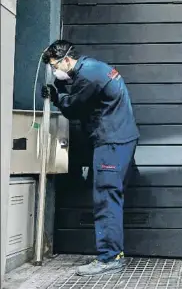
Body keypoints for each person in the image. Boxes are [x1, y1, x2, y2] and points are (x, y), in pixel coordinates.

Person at [41, 40, 140, 277]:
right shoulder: (93, 67)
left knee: (106, 198)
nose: (55, 71)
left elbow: (74, 108)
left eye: (55, 66)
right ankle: (114, 252)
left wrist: (56, 96)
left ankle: (109, 258)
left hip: (112, 143)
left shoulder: (87, 77)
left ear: (66, 59)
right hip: (122, 138)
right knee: (112, 197)